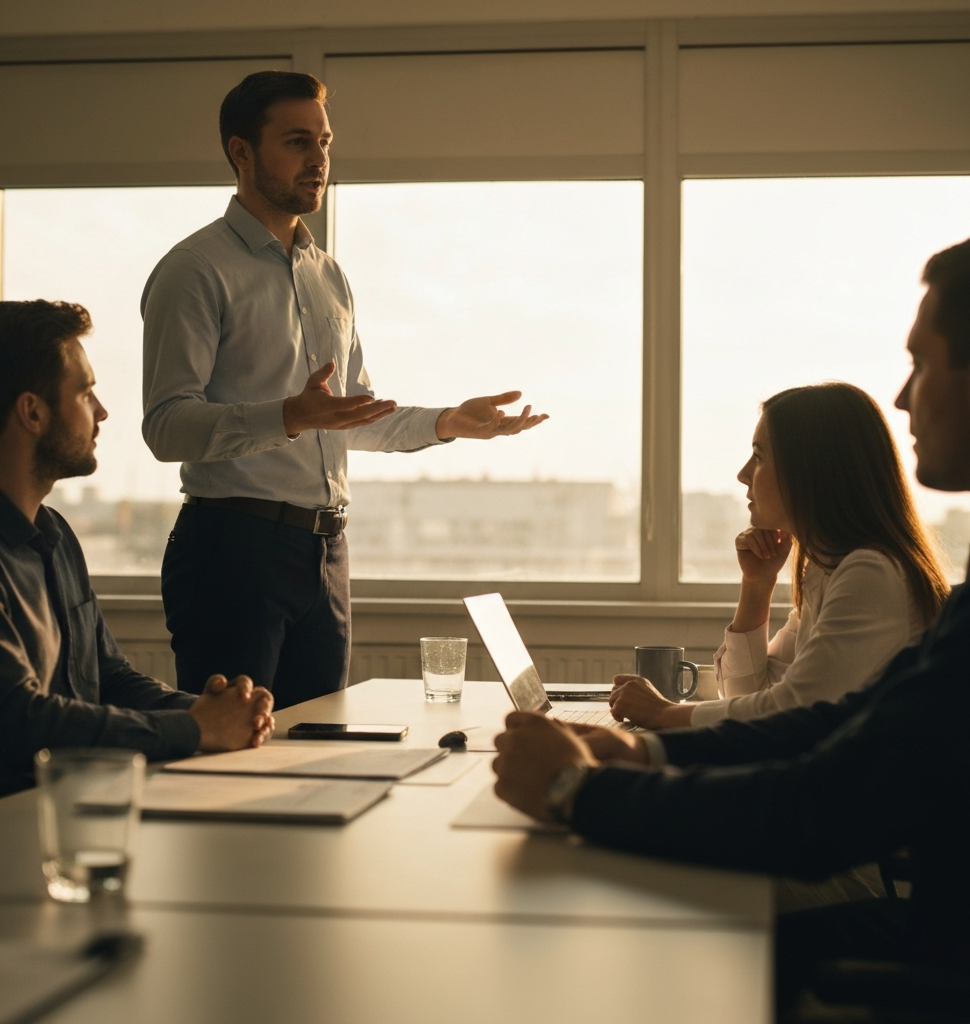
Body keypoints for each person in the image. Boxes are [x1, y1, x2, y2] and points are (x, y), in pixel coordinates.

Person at [492, 236, 970, 1017]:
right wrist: (644, 747)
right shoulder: (835, 572)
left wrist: (582, 786)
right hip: (892, 882)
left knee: (648, 908)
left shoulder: (872, 575)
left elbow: (816, 787)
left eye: (923, 363)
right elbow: (824, 718)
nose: (905, 398)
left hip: (895, 906)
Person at [142, 70, 548, 710]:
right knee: (228, 768)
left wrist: (448, 421)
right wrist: (288, 416)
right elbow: (165, 427)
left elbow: (348, 416)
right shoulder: (194, 270)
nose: (319, 160)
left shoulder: (328, 275)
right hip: (233, 549)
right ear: (240, 152)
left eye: (325, 142)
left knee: (319, 750)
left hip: (326, 552)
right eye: (298, 142)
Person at [0, 300, 275, 815]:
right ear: (32, 412)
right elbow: (15, 721)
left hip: (74, 811)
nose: (100, 411)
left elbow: (108, 677)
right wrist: (194, 729)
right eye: (84, 392)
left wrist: (210, 711)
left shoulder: (53, 531)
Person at [609, 383, 948, 733]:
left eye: (758, 456)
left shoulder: (870, 573)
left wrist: (663, 714)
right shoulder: (827, 570)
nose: (743, 474)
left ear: (810, 470)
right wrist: (757, 585)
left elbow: (792, 707)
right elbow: (747, 694)